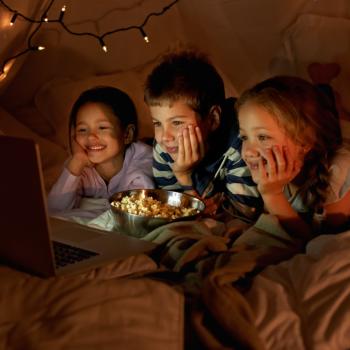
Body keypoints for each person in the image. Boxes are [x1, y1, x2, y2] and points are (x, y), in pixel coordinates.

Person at [144, 49, 262, 220]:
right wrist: (183, 179)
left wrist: (185, 177)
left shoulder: (242, 146)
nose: (164, 136)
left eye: (177, 123)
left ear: (213, 119)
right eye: (157, 123)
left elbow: (243, 214)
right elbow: (175, 211)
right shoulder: (165, 148)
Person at [235, 75, 350, 238]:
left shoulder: (337, 174)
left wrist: (272, 194)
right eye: (244, 137)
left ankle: (325, 84)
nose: (248, 151)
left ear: (304, 143)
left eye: (262, 137)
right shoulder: (263, 170)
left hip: (338, 143)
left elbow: (314, 245)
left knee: (341, 121)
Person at [48, 86, 154, 216]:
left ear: (127, 134)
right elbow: (53, 210)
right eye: (82, 129)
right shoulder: (79, 163)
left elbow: (133, 212)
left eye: (102, 127)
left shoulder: (144, 161)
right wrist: (76, 162)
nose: (91, 136)